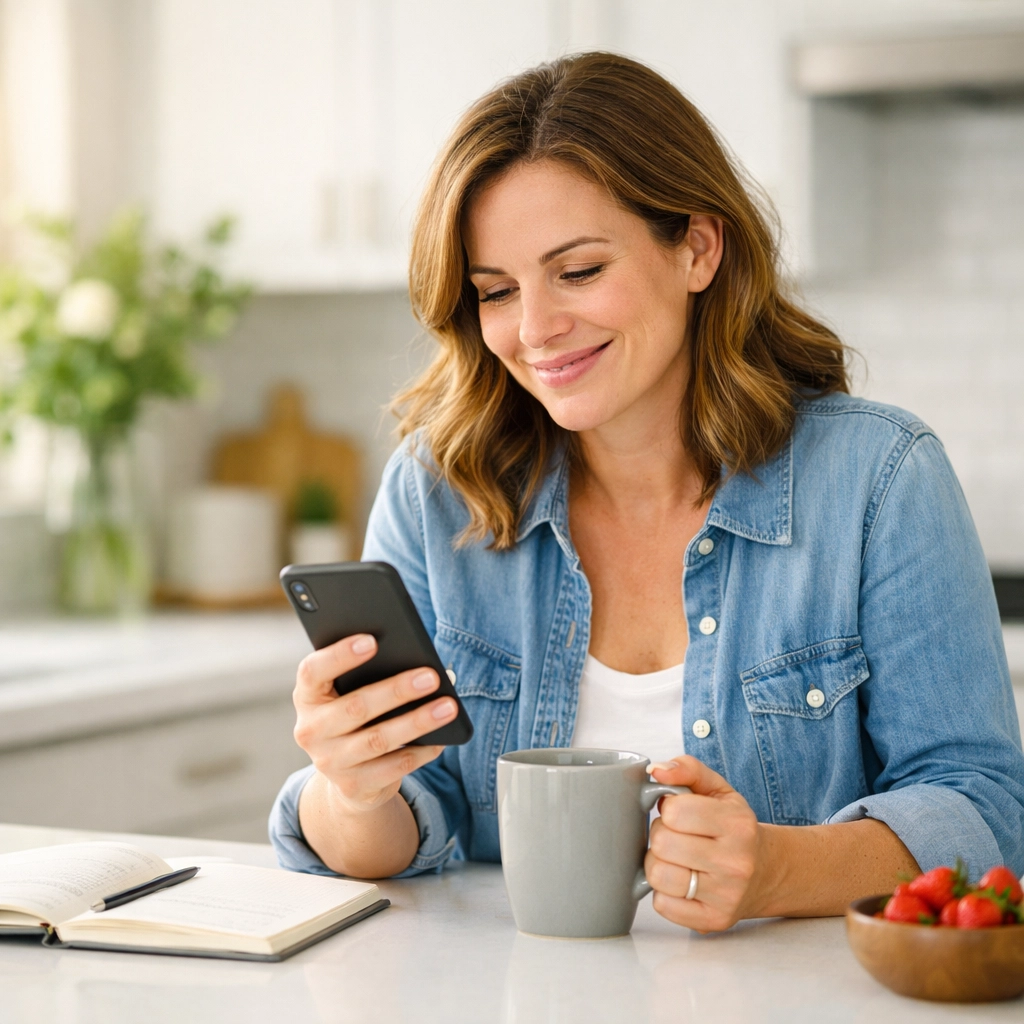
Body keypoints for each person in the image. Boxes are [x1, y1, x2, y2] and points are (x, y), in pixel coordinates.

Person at [270, 52, 1024, 932]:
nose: (536, 328)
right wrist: (351, 790)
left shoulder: (878, 479)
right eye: (496, 291)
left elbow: (987, 809)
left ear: (698, 248)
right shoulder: (439, 491)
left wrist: (779, 868)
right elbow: (414, 822)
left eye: (580, 271)